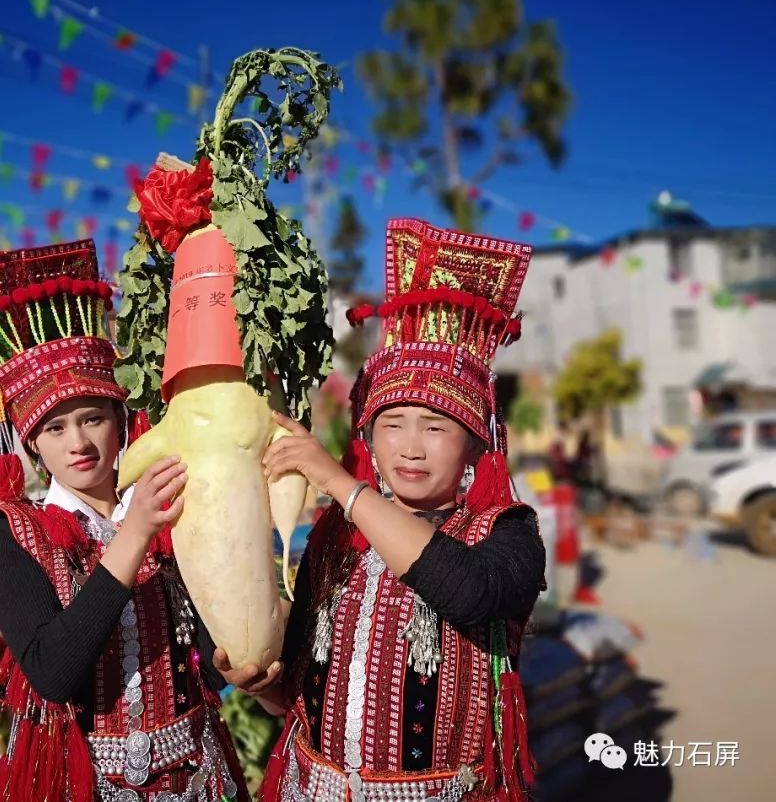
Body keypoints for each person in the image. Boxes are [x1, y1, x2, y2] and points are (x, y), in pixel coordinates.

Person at [218, 219, 547, 801]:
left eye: (436, 426)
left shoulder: (507, 534)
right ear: (369, 435)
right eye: (392, 424)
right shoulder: (335, 541)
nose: (410, 446)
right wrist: (256, 682)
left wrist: (337, 482)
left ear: (475, 442)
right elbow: (297, 692)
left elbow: (469, 591)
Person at [0, 240, 247, 802]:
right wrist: (137, 532)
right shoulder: (15, 530)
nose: (78, 443)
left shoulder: (173, 503)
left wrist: (225, 659)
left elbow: (202, 651)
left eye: (92, 418)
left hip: (198, 770)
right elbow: (52, 671)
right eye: (54, 429)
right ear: (31, 446)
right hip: (85, 782)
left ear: (121, 422)